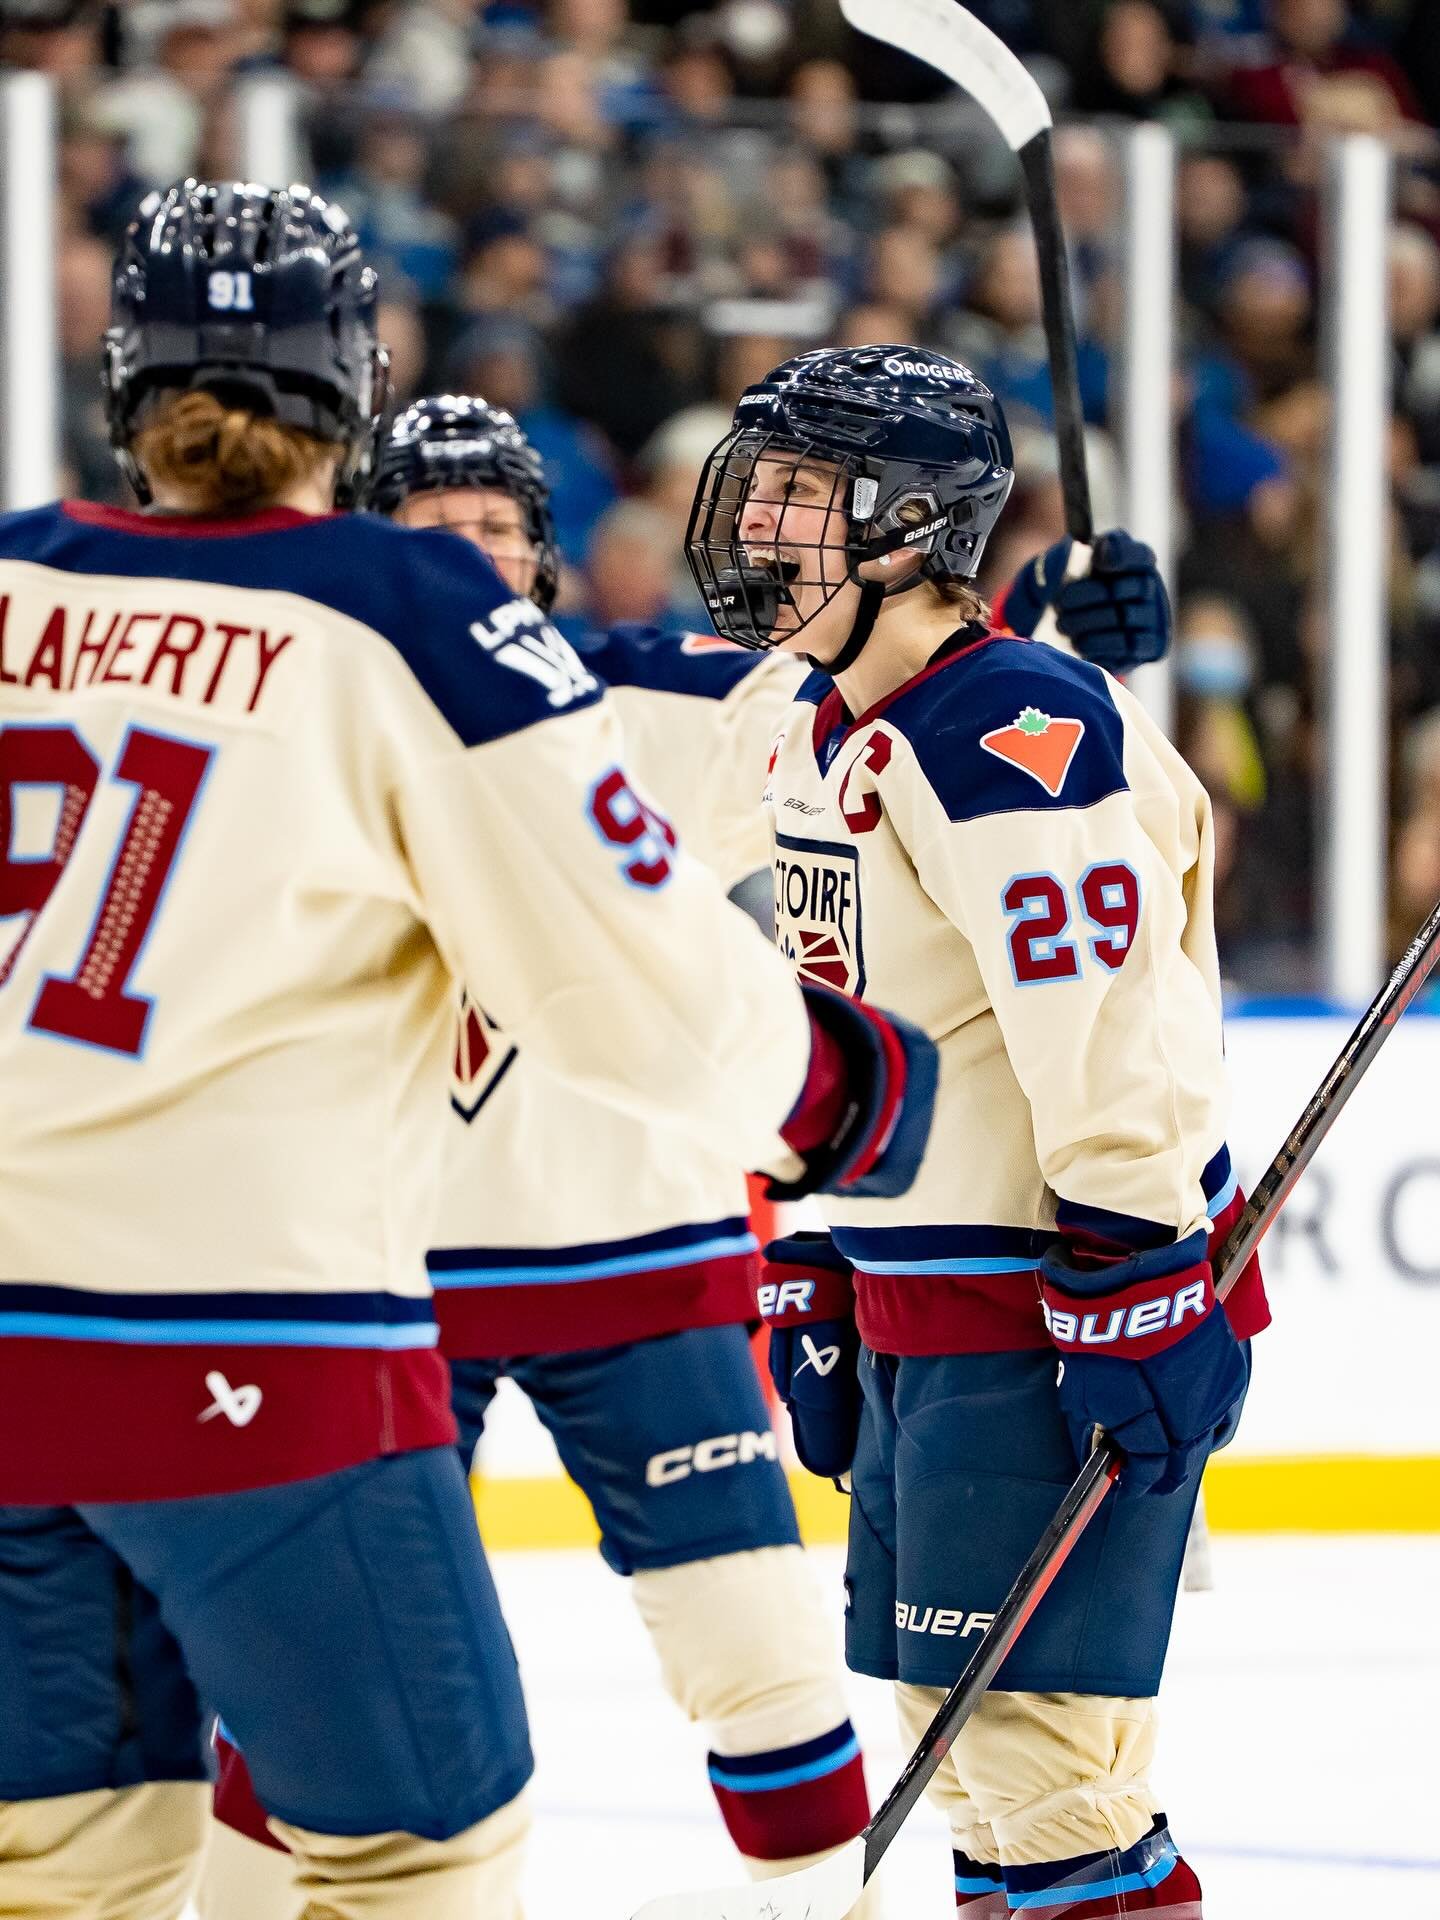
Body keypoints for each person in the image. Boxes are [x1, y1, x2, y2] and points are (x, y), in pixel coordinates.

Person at [0, 190, 937, 1920]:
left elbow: (837, 701)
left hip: (46, 1340)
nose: (472, 544)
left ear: (122, 371)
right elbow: (640, 970)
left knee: (60, 1873)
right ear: (350, 398)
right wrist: (841, 1093)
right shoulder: (404, 621)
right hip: (261, 1344)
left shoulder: (15, 576)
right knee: (418, 1858)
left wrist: (1037, 642)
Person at [200, 390, 1177, 1917]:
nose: (461, 555)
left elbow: (1006, 800)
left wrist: (1068, 650)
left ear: (542, 555)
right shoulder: (288, 729)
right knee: (317, 1680)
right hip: (391, 1282)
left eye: (495, 527)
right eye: (424, 529)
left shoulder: (675, 701)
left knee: (845, 1701)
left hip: (668, 1275)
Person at [687, 345, 1271, 1919]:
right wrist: (811, 1257)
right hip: (922, 1321)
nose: (762, 526)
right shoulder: (825, 726)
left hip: (1044, 1311)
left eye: (806, 494)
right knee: (978, 1783)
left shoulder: (1007, 728)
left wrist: (1143, 1276)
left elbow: (1113, 1045)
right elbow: (844, 1021)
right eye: (769, 488)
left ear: (907, 528)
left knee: (1053, 1780)